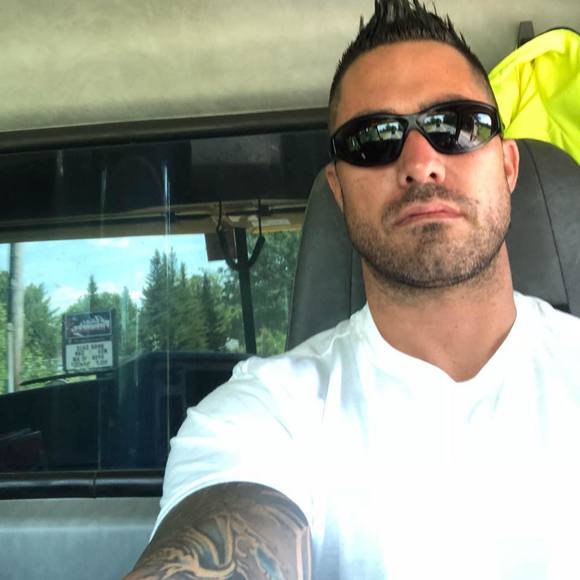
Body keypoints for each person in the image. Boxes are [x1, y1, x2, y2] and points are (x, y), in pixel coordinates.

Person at [126, 1, 580, 578]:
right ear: (338, 192)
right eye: (374, 138)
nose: (421, 162)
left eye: (456, 125)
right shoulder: (266, 416)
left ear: (508, 167)